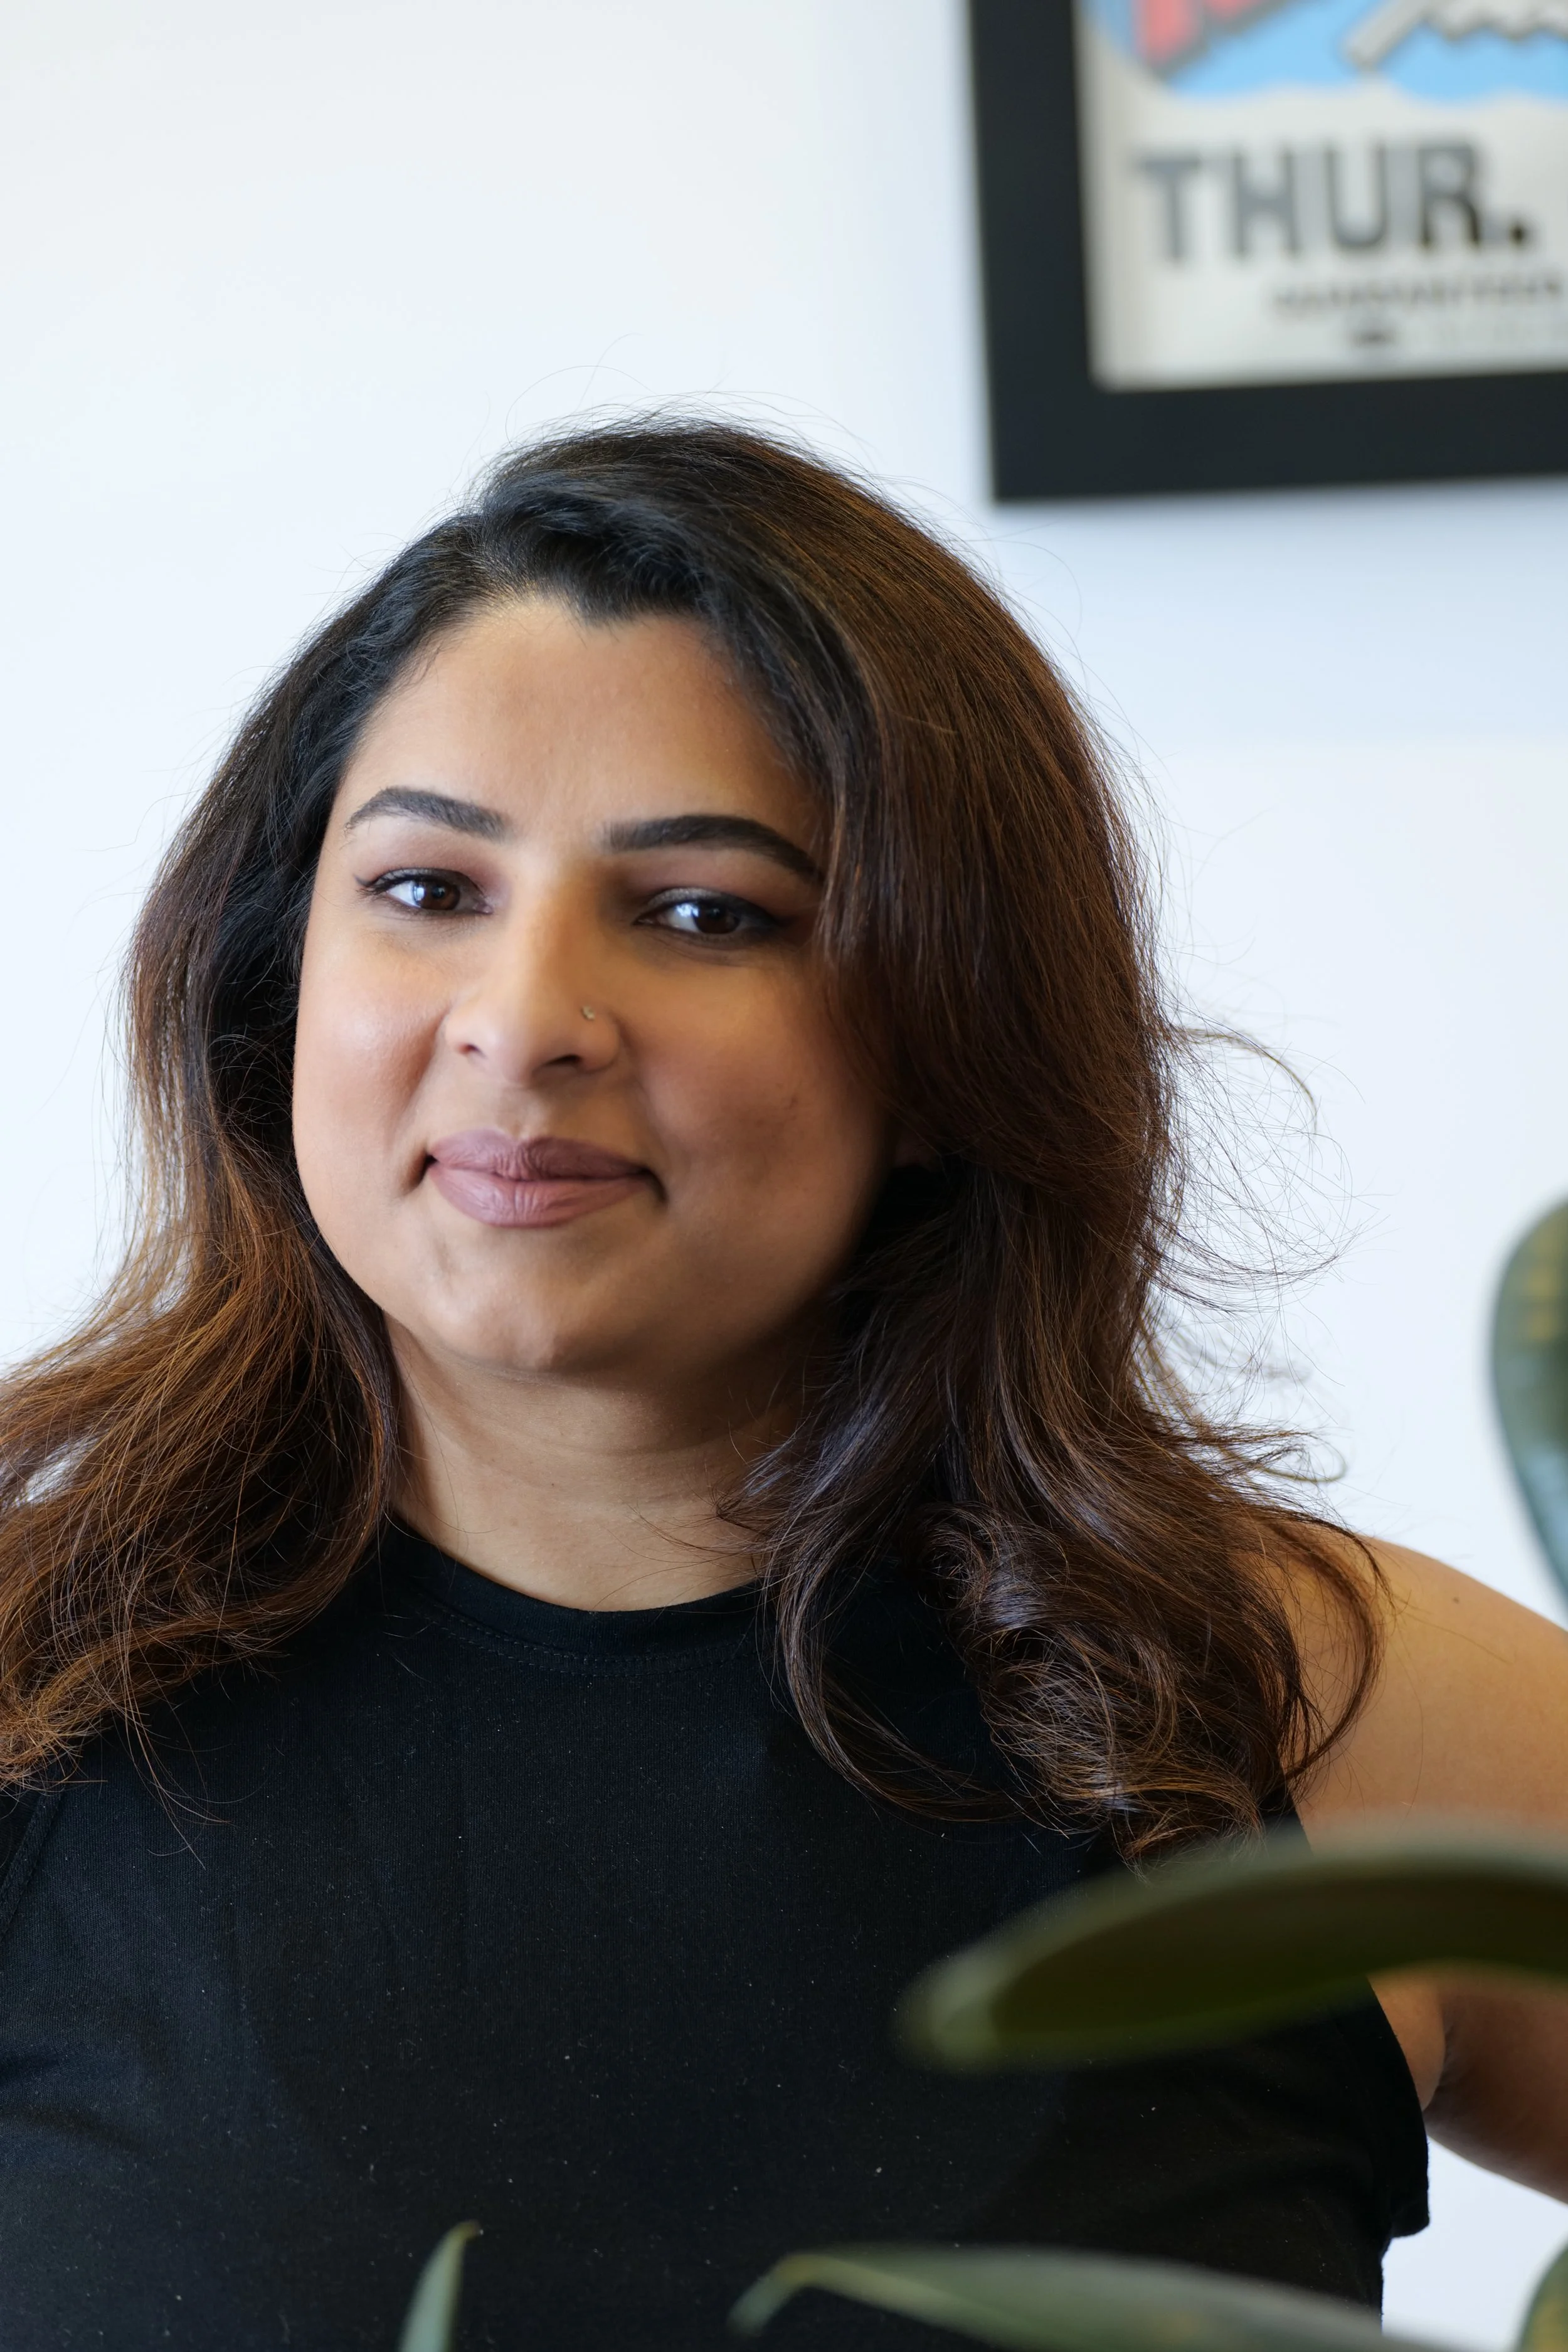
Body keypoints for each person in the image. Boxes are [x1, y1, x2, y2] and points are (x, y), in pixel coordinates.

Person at [0, 420, 1564, 2352]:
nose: (524, 1021)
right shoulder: (31, 1684)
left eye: (703, 913)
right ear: (270, 983)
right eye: (425, 888)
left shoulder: (1324, 1715)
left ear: (937, 1035)